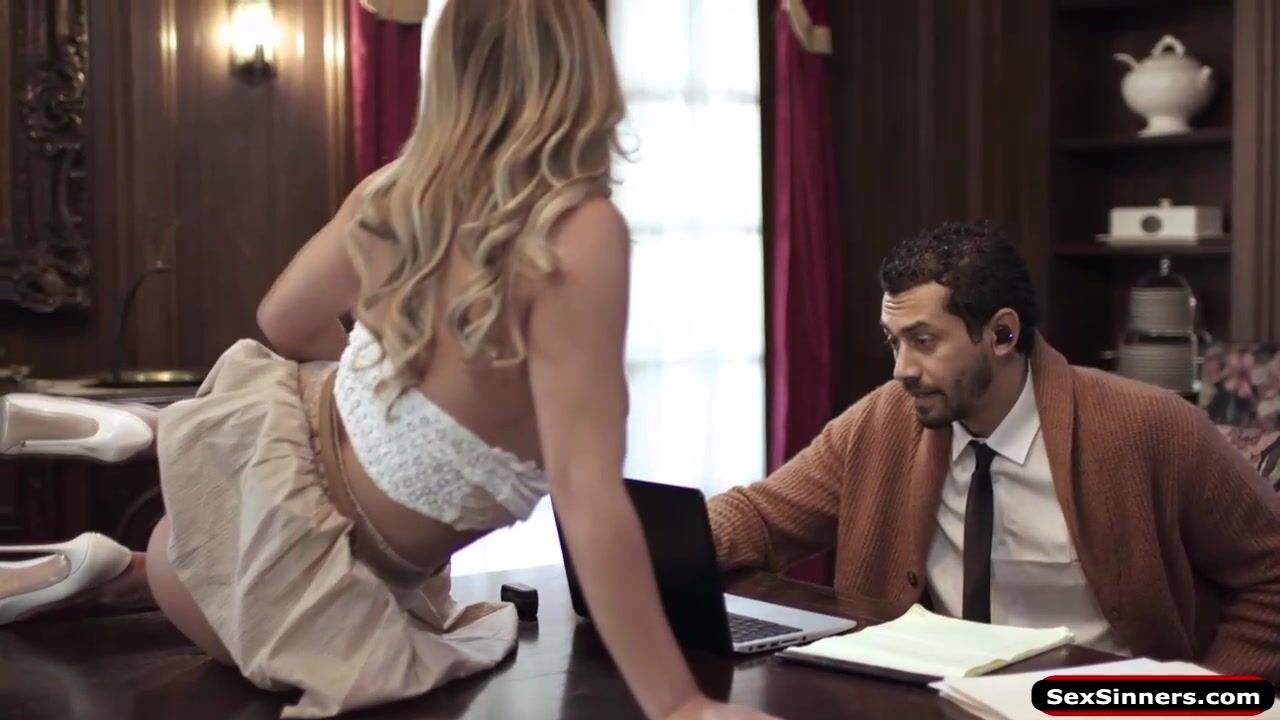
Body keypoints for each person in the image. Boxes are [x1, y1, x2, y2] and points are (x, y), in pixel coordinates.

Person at [0, 2, 776, 718]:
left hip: (235, 510)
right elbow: (586, 491)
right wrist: (678, 704)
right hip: (296, 592)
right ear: (584, 68)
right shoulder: (578, 232)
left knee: (294, 439)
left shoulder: (399, 190)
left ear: (451, 67)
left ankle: (146, 452)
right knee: (433, 629)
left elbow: (282, 320)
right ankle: (118, 529)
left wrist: (383, 399)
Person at [708, 220, 1280, 680]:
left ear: (1002, 334)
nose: (902, 369)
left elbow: (1271, 574)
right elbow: (760, 517)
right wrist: (661, 540)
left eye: (924, 341)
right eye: (894, 341)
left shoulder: (1151, 427)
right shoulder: (883, 422)